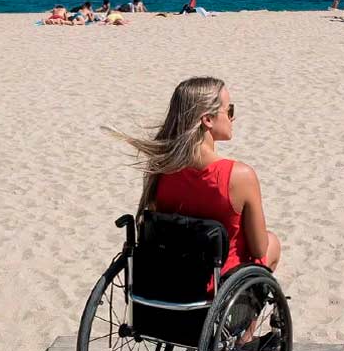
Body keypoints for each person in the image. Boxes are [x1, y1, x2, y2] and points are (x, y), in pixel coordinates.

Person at [108, 77, 282, 292]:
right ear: (207, 119)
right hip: (216, 288)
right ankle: (246, 327)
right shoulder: (239, 176)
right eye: (229, 110)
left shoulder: (161, 169)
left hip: (169, 281)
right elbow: (258, 248)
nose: (233, 118)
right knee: (271, 243)